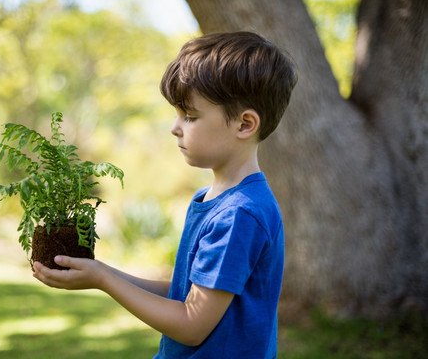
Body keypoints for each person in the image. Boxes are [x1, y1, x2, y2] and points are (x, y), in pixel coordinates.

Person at [32, 31, 297, 358]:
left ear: (244, 125)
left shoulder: (241, 214)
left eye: (190, 116)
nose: (175, 127)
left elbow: (192, 323)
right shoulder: (211, 199)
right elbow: (182, 295)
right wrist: (99, 271)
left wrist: (102, 280)